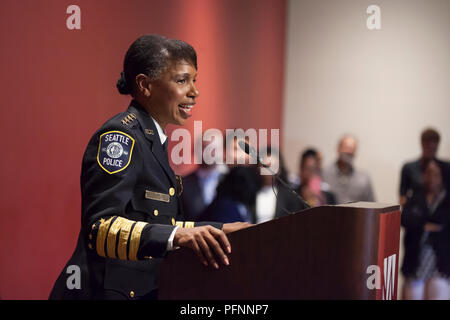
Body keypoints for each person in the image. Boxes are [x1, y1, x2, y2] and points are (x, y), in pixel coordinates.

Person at [49, 35, 250, 300]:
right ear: (145, 85)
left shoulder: (151, 138)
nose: (194, 91)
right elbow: (100, 228)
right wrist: (178, 235)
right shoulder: (121, 137)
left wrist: (220, 229)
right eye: (182, 80)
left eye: (194, 80)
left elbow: (159, 223)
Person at [401, 160, 450, 300]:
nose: (431, 178)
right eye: (427, 174)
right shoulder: (416, 196)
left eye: (435, 174)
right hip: (415, 259)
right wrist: (424, 225)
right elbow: (404, 219)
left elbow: (443, 223)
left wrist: (421, 223)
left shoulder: (447, 199)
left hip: (441, 262)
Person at [180, 136, 228, 221]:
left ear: (223, 152)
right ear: (194, 150)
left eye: (214, 148)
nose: (210, 152)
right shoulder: (182, 185)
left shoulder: (230, 181)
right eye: (205, 147)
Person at [400, 128, 450, 206]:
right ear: (422, 144)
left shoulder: (446, 168)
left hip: (440, 214)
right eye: (427, 145)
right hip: (416, 213)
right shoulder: (409, 167)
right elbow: (402, 197)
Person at [255, 147, 303, 223]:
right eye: (265, 165)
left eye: (273, 166)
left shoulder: (289, 195)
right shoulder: (251, 193)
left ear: (279, 169)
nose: (269, 170)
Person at [322, 135, 375, 204]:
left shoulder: (364, 178)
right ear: (338, 149)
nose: (349, 151)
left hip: (356, 214)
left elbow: (372, 206)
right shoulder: (323, 173)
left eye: (353, 149)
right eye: (346, 147)